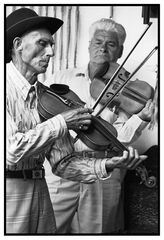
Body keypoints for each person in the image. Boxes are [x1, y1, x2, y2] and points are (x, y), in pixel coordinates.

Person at [6, 9, 146, 234]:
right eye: (43, 43)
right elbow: (10, 149)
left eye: (51, 44)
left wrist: (108, 165)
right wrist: (62, 121)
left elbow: (62, 162)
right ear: (18, 44)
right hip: (9, 191)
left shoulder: (45, 95)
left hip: (40, 189)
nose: (51, 52)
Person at [44, 18, 154, 233]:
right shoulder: (60, 78)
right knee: (48, 231)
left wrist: (141, 118)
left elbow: (119, 139)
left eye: (111, 44)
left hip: (102, 173)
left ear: (120, 51)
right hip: (61, 169)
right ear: (89, 46)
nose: (102, 48)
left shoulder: (129, 92)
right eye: (98, 42)